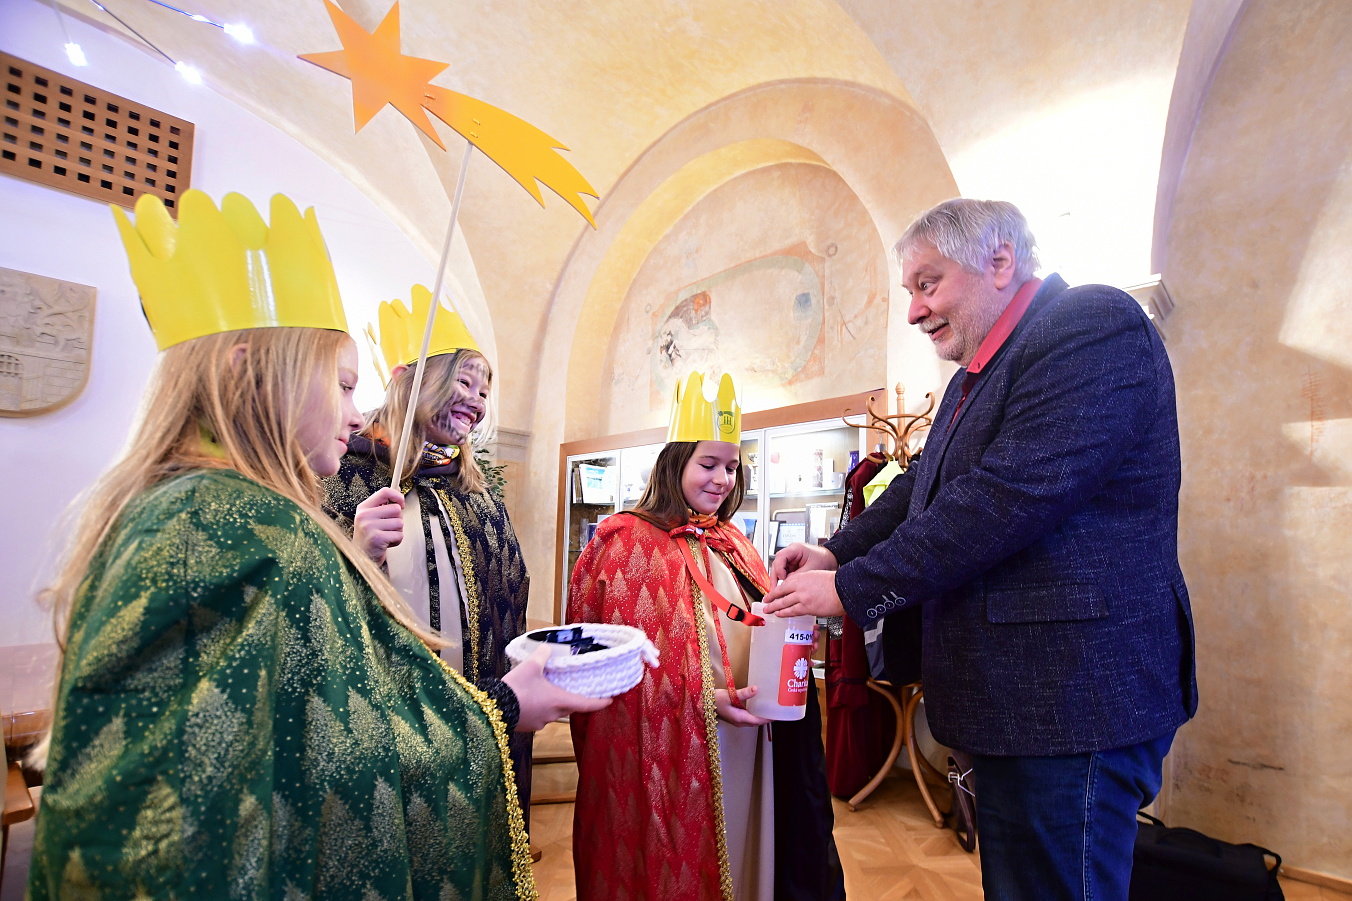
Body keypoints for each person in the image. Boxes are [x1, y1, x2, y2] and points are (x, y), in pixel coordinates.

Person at [28, 190, 603, 899]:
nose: (357, 412)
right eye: (342, 383)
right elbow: (331, 765)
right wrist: (502, 709)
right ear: (247, 370)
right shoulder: (234, 530)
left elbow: (303, 733)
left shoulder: (211, 512)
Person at [764, 198, 1197, 901]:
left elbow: (1002, 498)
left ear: (999, 261)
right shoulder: (976, 377)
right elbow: (919, 489)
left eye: (928, 283)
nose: (913, 311)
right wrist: (836, 553)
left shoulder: (1089, 323)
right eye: (910, 291)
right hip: (1022, 705)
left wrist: (851, 590)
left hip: (1069, 701)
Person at [568, 372, 844, 901]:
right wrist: (698, 699)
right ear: (675, 464)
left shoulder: (734, 539)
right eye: (708, 464)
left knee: (748, 855)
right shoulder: (625, 541)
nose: (722, 479)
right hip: (681, 750)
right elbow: (606, 667)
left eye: (732, 467)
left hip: (751, 737)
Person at [321, 285, 538, 822]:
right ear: (411, 384)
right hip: (393, 729)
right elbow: (315, 607)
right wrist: (358, 547)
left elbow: (509, 593)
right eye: (463, 382)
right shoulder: (346, 472)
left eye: (485, 389)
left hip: (481, 719)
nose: (477, 400)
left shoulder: (475, 490)